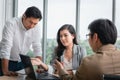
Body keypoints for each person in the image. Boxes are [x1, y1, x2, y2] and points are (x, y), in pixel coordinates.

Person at [54, 19, 120, 80]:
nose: (62, 38)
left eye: (88, 35)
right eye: (61, 36)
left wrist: (61, 70)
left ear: (95, 37)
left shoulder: (89, 62)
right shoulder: (58, 50)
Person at [0, 6, 48, 76]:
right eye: (30, 22)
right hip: (4, 62)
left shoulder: (36, 27)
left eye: (35, 23)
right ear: (24, 16)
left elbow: (37, 47)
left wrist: (40, 67)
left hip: (20, 62)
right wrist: (5, 71)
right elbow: (6, 47)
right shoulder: (11, 24)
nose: (32, 26)